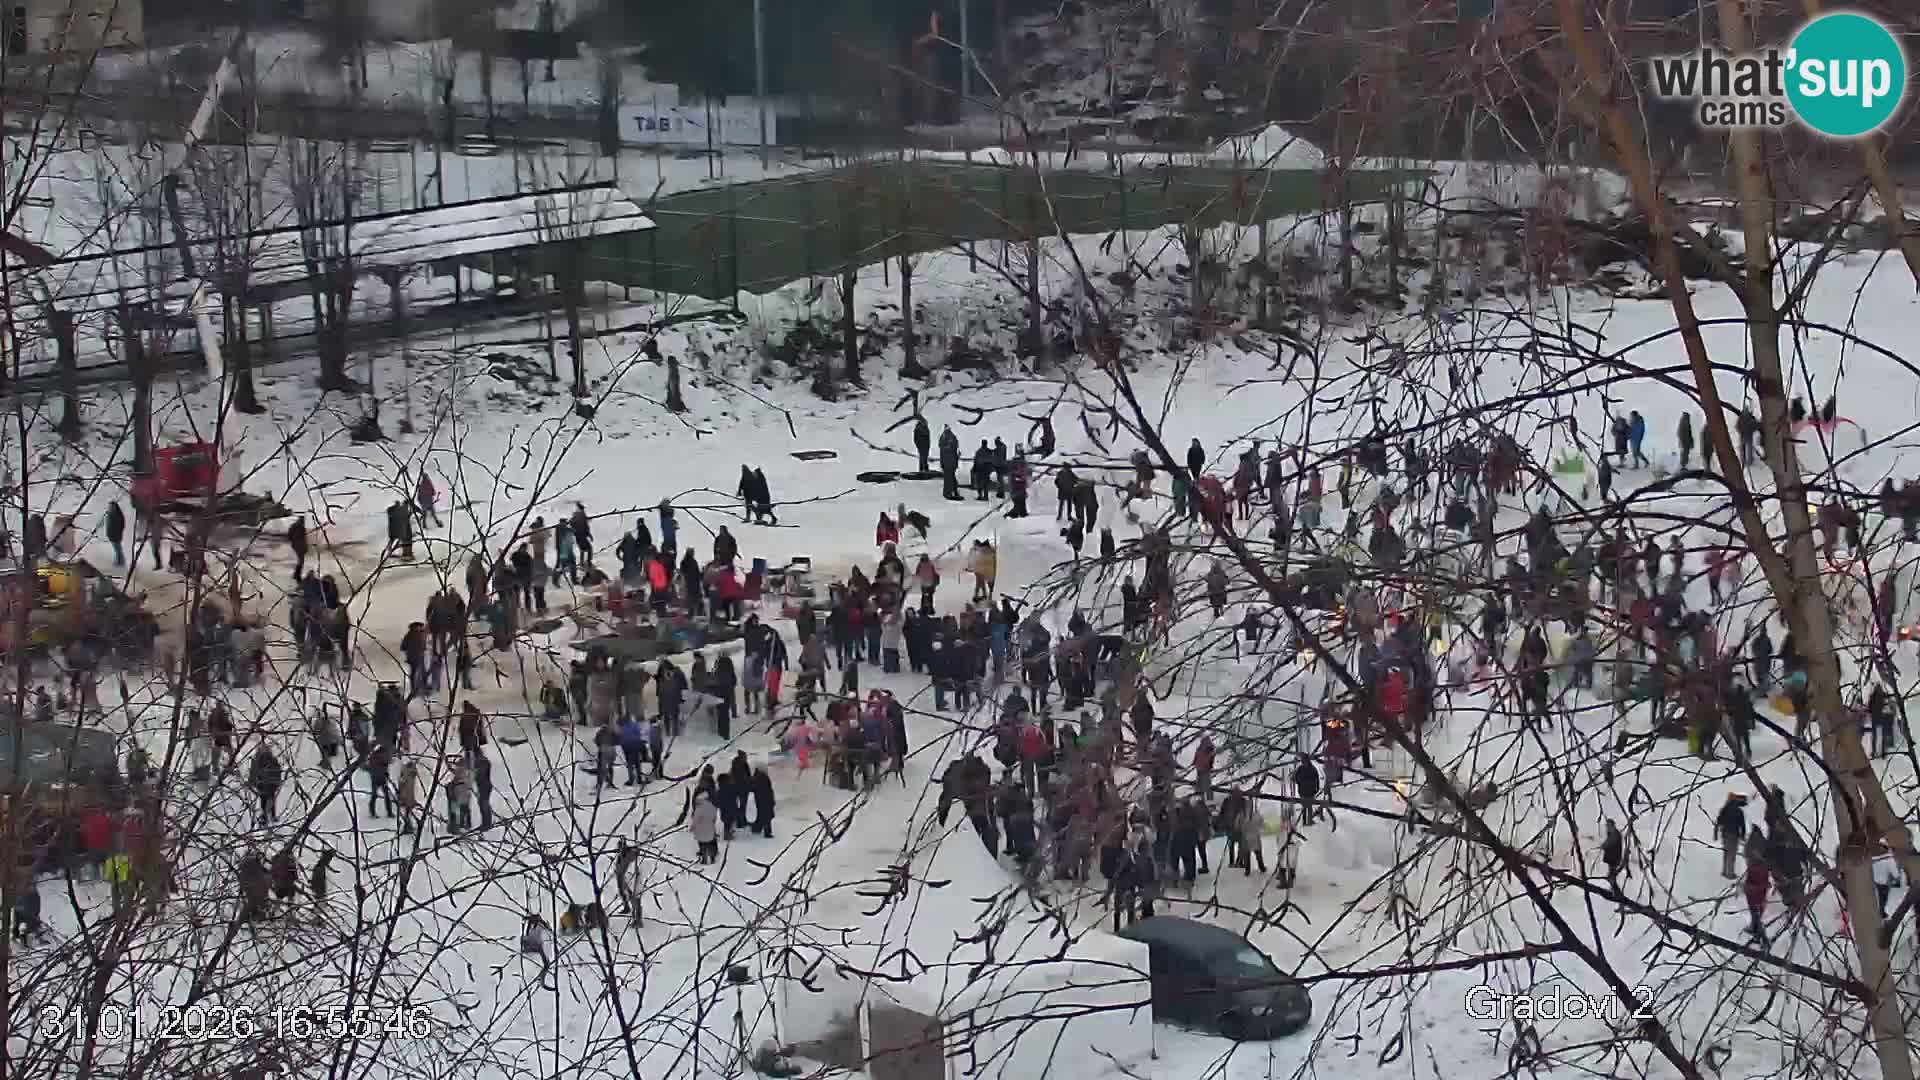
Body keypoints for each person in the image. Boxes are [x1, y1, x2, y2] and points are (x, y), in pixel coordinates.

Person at [249, 746, 284, 826]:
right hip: (266, 784)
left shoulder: (258, 760)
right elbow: (278, 770)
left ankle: (267, 816)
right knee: (268, 799)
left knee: (265, 799)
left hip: (266, 783)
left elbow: (253, 772)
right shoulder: (261, 760)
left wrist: (252, 782)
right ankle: (269, 816)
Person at [1715, 793, 1746, 879]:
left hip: (1725, 834)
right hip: (1734, 835)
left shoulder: (1724, 809)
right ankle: (1730, 873)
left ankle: (1725, 871)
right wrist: (1742, 836)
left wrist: (1716, 833)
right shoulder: (1739, 811)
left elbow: (1719, 821)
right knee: (1732, 855)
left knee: (1726, 853)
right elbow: (1742, 825)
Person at [750, 766, 776, 838]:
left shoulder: (757, 778)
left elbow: (753, 787)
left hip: (761, 800)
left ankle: (757, 828)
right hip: (766, 800)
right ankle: (766, 832)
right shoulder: (763, 778)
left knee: (761, 815)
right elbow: (769, 790)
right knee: (766, 817)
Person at [104, 500, 126, 566]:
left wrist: (119, 532)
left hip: (116, 534)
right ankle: (120, 561)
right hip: (112, 534)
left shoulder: (116, 515)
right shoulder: (110, 514)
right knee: (117, 548)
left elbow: (121, 525)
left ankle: (119, 562)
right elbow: (108, 525)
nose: (110, 507)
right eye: (109, 506)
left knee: (117, 549)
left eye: (111, 506)